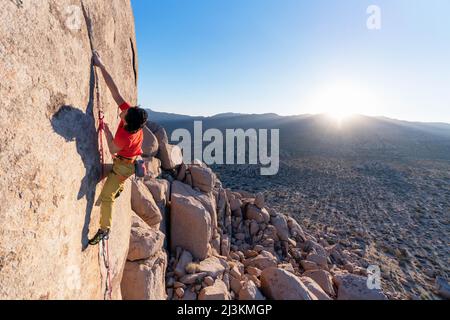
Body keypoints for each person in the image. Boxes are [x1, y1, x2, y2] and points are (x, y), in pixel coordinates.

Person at [88, 51, 148, 246]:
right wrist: (101, 65)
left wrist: (105, 130)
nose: (123, 110)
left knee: (106, 196)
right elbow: (115, 92)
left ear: (128, 122)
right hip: (127, 163)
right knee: (110, 177)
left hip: (123, 167)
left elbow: (113, 149)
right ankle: (119, 186)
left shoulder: (125, 135)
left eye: (125, 113)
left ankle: (105, 229)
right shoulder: (130, 119)